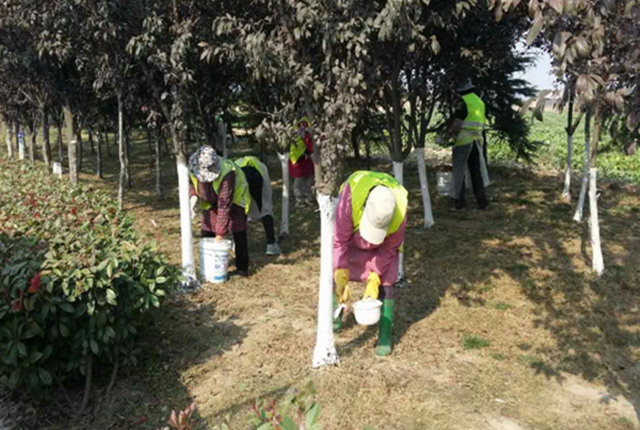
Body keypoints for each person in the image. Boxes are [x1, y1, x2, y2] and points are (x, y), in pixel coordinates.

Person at [333, 171, 408, 357]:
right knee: (334, 272)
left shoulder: (400, 211)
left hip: (383, 249)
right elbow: (339, 242)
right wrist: (340, 271)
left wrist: (375, 275)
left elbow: (390, 248)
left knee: (387, 281)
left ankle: (385, 333)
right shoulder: (350, 197)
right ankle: (333, 318)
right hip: (352, 239)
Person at [189, 146, 252, 276]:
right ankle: (208, 266)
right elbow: (192, 183)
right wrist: (193, 196)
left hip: (235, 201)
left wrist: (219, 237)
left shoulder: (227, 173)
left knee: (238, 230)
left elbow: (224, 206)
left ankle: (242, 268)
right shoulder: (194, 166)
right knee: (207, 229)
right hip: (210, 201)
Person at [450, 79, 490, 210]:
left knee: (459, 171)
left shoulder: (463, 101)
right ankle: (482, 202)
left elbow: (458, 122)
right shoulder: (480, 102)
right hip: (477, 141)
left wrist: (449, 134)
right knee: (475, 171)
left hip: (464, 140)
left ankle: (459, 203)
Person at [234, 155, 281, 256]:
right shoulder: (262, 166)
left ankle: (236, 245)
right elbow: (267, 195)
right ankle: (271, 244)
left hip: (240, 176)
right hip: (258, 176)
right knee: (265, 208)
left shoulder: (236, 164)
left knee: (239, 210)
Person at [289, 116, 315, 207]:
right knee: (300, 179)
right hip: (298, 158)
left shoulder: (304, 123)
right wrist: (312, 151)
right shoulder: (303, 126)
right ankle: (300, 199)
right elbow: (307, 141)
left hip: (304, 157)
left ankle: (307, 197)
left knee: (308, 177)